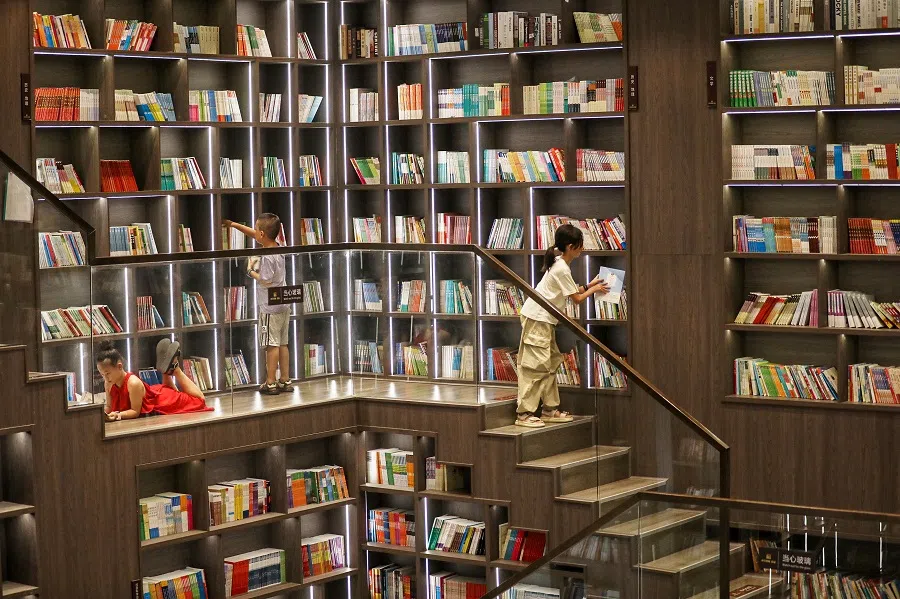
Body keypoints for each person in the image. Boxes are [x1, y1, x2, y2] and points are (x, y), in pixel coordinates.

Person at [515, 224, 611, 428]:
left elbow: (570, 291)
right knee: (534, 367)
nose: (582, 248)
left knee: (549, 364)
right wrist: (593, 290)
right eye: (579, 245)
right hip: (537, 320)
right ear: (570, 246)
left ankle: (549, 409)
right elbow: (576, 299)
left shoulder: (559, 262)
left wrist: (590, 285)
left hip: (544, 320)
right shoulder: (561, 267)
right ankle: (524, 414)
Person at [223, 213, 292, 394]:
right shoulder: (279, 246)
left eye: (256, 229)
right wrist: (233, 224)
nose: (254, 232)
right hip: (284, 302)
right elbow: (255, 234)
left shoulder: (268, 256)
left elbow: (265, 280)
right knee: (283, 343)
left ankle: (270, 382)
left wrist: (250, 270)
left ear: (262, 234)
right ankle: (285, 379)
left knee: (271, 344)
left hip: (270, 305)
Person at [98, 339, 212, 421]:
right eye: (102, 374)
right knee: (175, 392)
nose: (105, 377)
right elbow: (109, 406)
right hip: (156, 393)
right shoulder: (108, 383)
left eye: (107, 373)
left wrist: (118, 415)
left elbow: (135, 412)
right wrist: (102, 415)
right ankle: (167, 370)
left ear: (119, 366)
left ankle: (175, 369)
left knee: (199, 400)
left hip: (160, 401)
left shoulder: (133, 383)